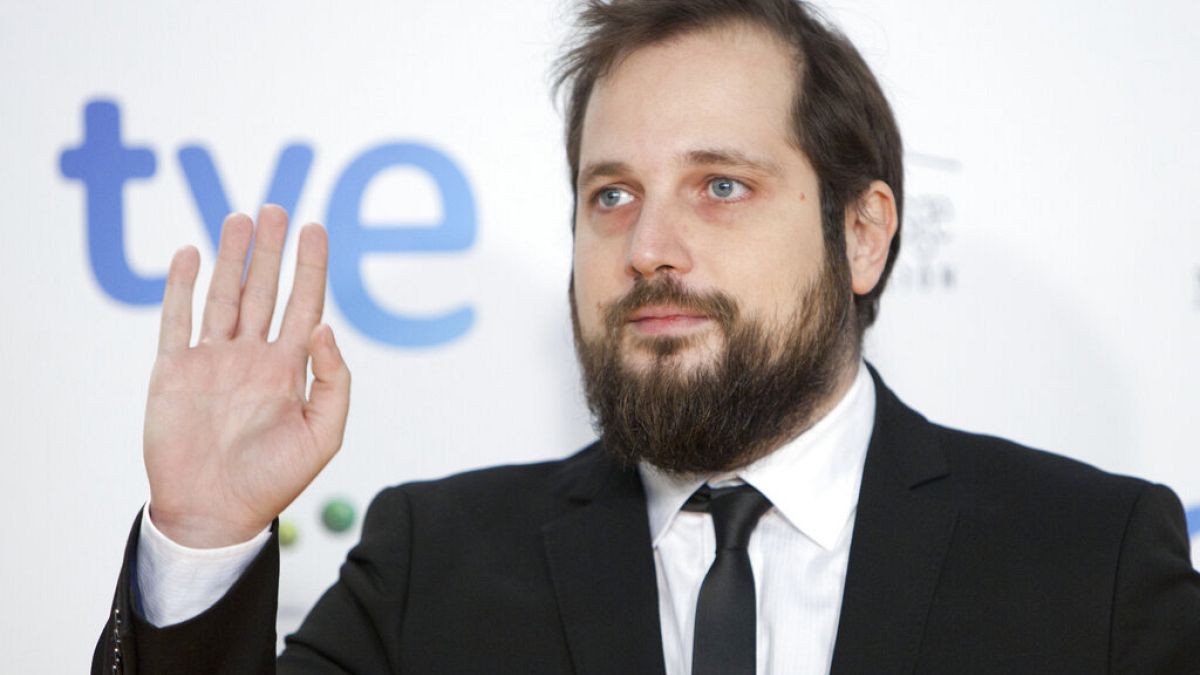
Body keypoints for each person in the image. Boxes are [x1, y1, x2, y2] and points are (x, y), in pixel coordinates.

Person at [93, 0, 1200, 673]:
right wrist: (200, 536)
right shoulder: (433, 566)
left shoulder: (1093, 563)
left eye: (721, 185)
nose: (648, 247)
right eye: (611, 196)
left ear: (861, 236)